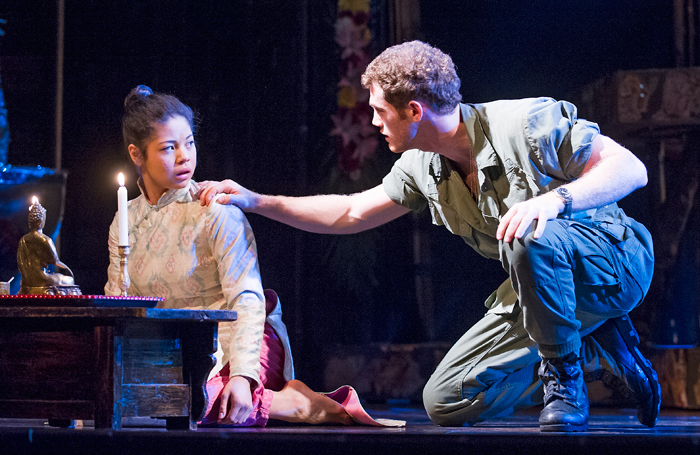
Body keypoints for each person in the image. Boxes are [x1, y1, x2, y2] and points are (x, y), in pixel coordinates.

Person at [199, 41, 660, 432]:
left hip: (614, 264)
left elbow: (630, 168)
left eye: (381, 111)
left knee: (529, 235)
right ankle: (593, 341)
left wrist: (553, 202)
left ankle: (566, 378)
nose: (376, 122)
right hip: (542, 295)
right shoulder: (422, 167)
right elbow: (351, 211)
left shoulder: (525, 123)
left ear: (414, 111)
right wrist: (255, 200)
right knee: (446, 400)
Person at [104, 85, 402, 428]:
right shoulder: (124, 221)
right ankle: (283, 402)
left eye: (189, 143)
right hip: (176, 355)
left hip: (240, 343)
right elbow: (119, 300)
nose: (185, 156)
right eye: (169, 148)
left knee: (193, 400)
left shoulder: (214, 209)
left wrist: (243, 377)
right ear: (136, 154)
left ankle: (301, 404)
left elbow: (247, 297)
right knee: (146, 398)